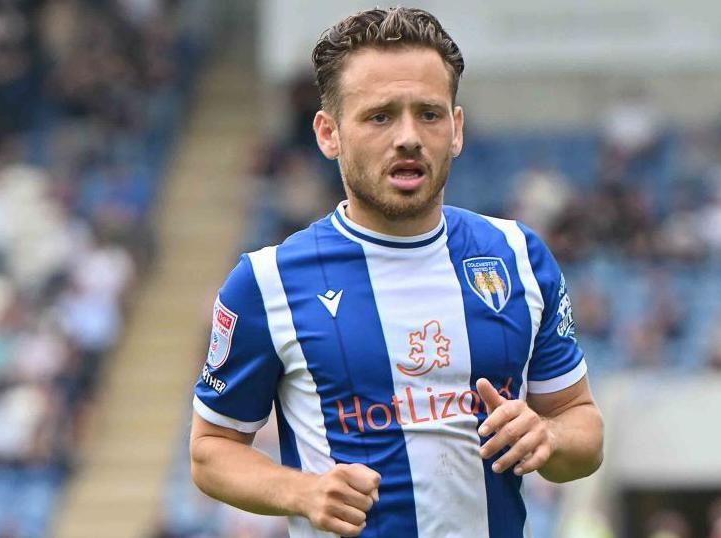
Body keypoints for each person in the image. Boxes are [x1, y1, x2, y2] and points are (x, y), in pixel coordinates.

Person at [188, 7, 604, 538]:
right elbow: (211, 451)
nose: (408, 136)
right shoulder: (267, 282)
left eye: (428, 114)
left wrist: (549, 438)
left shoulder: (517, 256)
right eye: (380, 116)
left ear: (456, 129)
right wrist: (303, 491)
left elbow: (582, 431)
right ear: (328, 133)